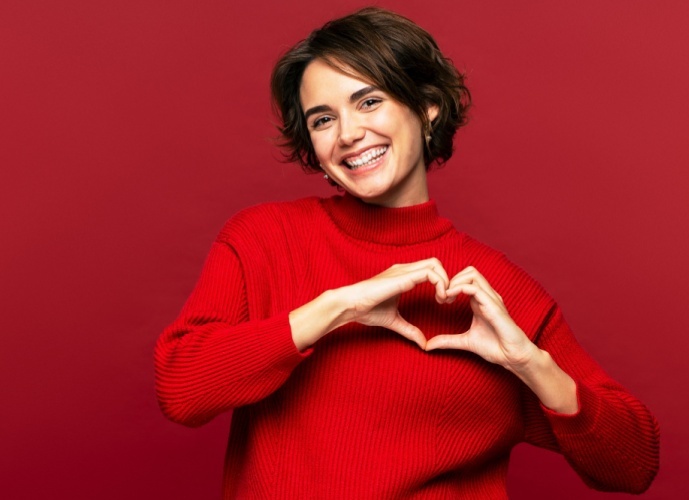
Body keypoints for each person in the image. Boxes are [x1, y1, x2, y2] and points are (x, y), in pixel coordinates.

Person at [154, 7, 660, 498]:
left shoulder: (496, 290)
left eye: (369, 102)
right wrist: (337, 308)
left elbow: (634, 462)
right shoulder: (262, 239)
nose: (349, 134)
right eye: (323, 118)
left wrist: (529, 363)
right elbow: (181, 387)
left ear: (426, 106)